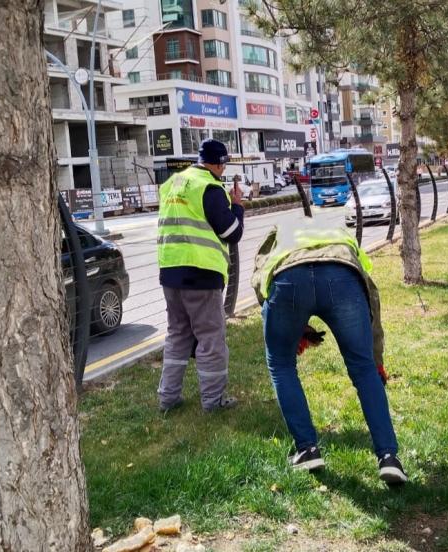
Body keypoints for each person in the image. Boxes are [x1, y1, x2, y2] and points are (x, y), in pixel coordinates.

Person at [251, 218, 407, 485]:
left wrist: (286, 324)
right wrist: (376, 360)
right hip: (343, 277)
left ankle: (307, 450)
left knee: (281, 364)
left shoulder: (279, 232)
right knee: (363, 369)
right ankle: (389, 457)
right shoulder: (341, 235)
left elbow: (260, 278)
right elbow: (371, 296)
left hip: (289, 278)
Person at [157, 139, 243, 413]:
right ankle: (213, 401)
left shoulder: (172, 184)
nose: (223, 170)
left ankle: (168, 398)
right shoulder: (209, 187)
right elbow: (232, 233)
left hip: (170, 272)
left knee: (178, 335)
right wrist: (237, 206)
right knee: (210, 337)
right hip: (201, 274)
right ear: (219, 163)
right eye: (223, 165)